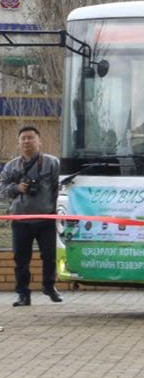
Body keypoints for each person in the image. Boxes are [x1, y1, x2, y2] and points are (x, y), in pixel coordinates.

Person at [2, 126, 62, 307]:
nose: (27, 141)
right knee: (21, 258)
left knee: (50, 255)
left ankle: (49, 286)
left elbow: (60, 187)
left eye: (31, 138)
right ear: (19, 142)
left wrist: (56, 208)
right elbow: (2, 189)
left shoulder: (52, 163)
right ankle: (22, 294)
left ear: (39, 141)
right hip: (20, 219)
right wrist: (16, 188)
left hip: (46, 218)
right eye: (23, 138)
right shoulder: (12, 166)